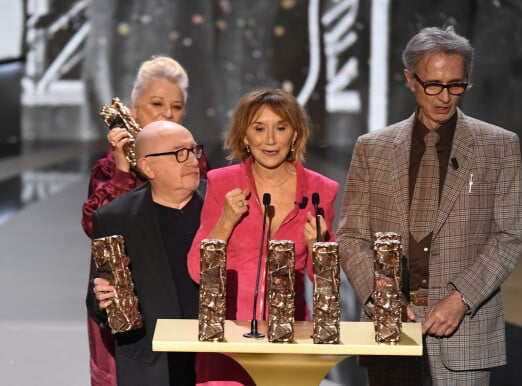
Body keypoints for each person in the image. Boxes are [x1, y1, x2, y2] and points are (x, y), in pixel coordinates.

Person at [336, 26, 522, 385]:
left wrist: (460, 299)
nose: (445, 97)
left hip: (464, 329)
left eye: (456, 85)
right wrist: (384, 299)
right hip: (389, 327)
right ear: (411, 80)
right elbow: (351, 236)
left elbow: (509, 235)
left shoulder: (498, 146)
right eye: (434, 85)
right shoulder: (372, 148)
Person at [187, 88, 339, 385]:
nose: (270, 140)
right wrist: (226, 222)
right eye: (259, 129)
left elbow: (326, 286)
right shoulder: (222, 183)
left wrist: (318, 246)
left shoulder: (321, 190)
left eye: (280, 128)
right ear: (245, 136)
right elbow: (196, 269)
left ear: (294, 134)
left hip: (290, 338)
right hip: (227, 336)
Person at [81, 55, 209, 386]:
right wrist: (124, 169)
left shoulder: (194, 166)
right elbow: (100, 228)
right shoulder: (113, 173)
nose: (167, 113)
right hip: (143, 325)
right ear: (133, 109)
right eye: (156, 104)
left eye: (176, 107)